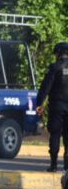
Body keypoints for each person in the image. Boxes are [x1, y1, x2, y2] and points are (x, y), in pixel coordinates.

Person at [35, 42, 68, 172]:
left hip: (57, 107)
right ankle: (67, 168)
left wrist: (39, 103)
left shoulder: (54, 67)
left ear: (58, 53)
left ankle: (54, 164)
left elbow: (45, 87)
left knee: (55, 135)